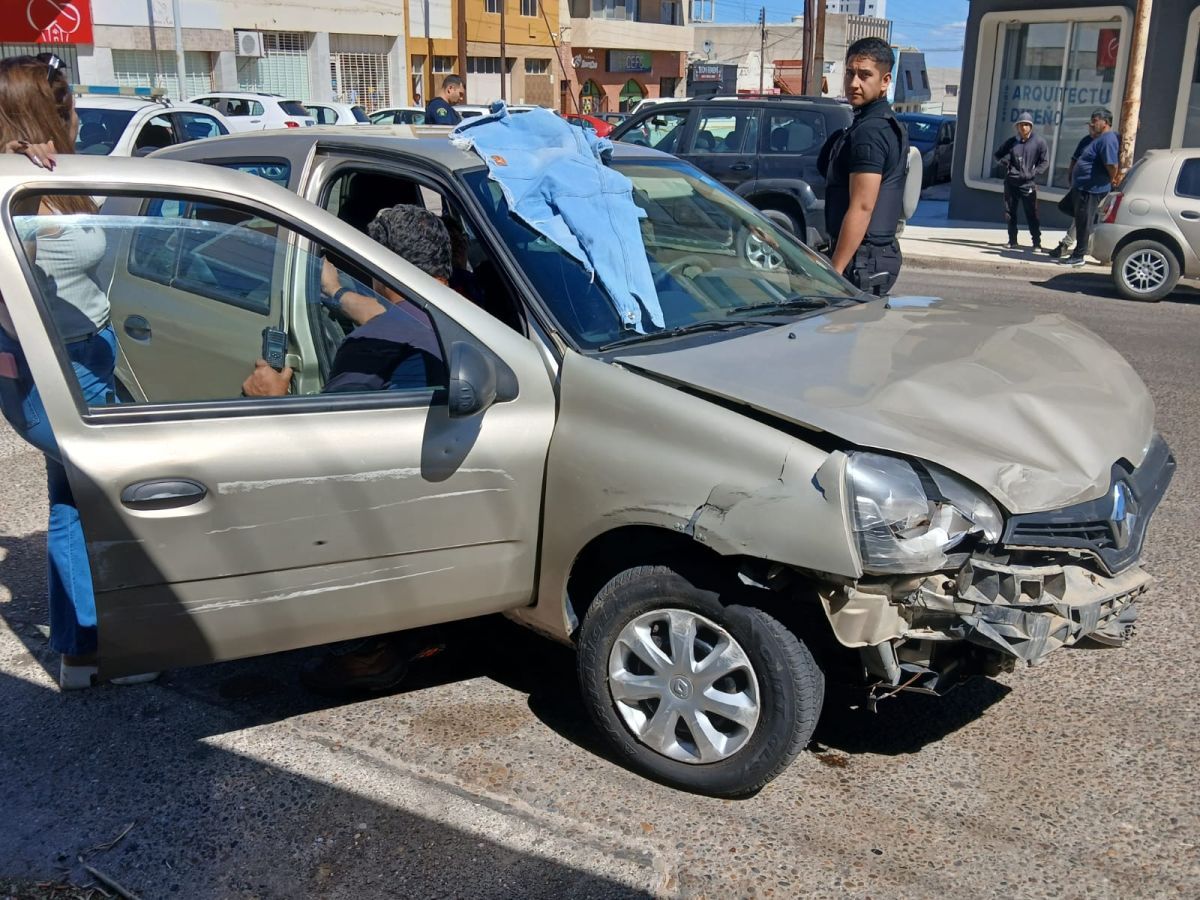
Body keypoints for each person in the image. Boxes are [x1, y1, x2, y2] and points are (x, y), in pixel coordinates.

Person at [241, 204, 454, 696]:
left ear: (379, 267)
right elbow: (400, 314)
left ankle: (368, 653)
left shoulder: (372, 344)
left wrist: (269, 402)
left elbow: (323, 446)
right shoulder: (478, 310)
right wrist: (337, 293)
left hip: (388, 499)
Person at [0, 54, 156, 689]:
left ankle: (81, 650)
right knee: (118, 502)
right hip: (59, 368)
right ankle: (111, 646)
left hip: (78, 354)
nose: (78, 113)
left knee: (71, 502)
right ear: (43, 108)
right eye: (68, 103)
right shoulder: (16, 182)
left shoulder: (48, 175)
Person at [819, 37, 909, 296]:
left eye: (864, 75)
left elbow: (862, 206)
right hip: (869, 257)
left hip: (862, 261)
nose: (854, 83)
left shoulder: (871, 131)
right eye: (849, 73)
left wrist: (834, 272)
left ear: (885, 81)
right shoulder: (877, 123)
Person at [1062, 108, 1120, 268]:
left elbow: (1112, 165)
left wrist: (1111, 178)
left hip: (1092, 189)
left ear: (1105, 122)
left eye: (1095, 120)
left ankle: (1078, 255)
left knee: (1084, 223)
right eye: (1092, 121)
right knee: (1079, 219)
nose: (1092, 124)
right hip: (1083, 188)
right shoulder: (1098, 139)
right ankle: (1078, 251)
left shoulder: (1108, 139)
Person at [993, 110, 1049, 249]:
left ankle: (1036, 243)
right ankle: (1012, 241)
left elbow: (1045, 162)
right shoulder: (1012, 142)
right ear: (1017, 127)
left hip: (1028, 184)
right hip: (1011, 183)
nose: (1023, 127)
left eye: (1026, 125)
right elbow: (997, 155)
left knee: (1032, 214)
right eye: (1021, 125)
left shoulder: (1039, 142)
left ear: (1031, 127)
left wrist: (1033, 172)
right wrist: (1006, 164)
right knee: (1010, 212)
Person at [1048, 130, 1105, 259]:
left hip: (1097, 188)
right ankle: (1073, 245)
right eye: (1090, 124)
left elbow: (1112, 166)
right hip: (1081, 186)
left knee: (1087, 218)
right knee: (1081, 217)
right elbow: (1074, 160)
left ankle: (1080, 247)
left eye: (1094, 123)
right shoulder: (1086, 140)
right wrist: (1071, 178)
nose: (1091, 127)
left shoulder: (1109, 143)